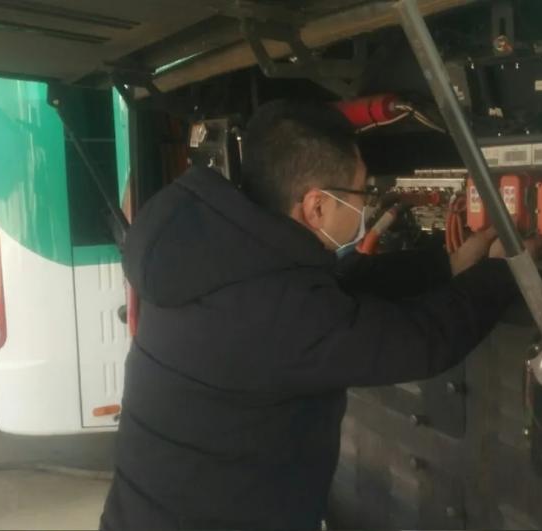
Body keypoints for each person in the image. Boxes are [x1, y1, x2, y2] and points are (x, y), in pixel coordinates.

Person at [100, 100, 520, 530]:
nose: (367, 207)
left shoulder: (212, 252)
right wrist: (505, 271)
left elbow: (335, 287)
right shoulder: (278, 312)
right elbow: (421, 342)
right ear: (316, 206)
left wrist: (447, 266)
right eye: (362, 194)